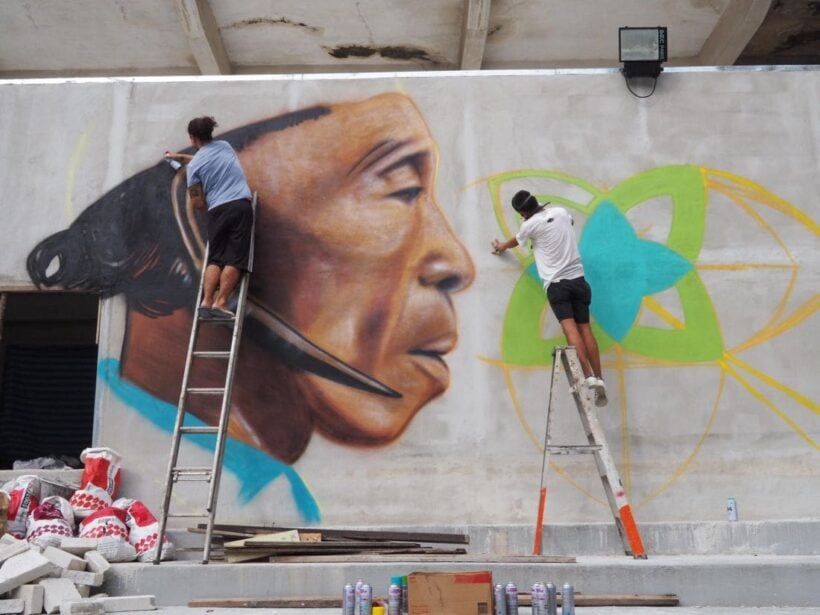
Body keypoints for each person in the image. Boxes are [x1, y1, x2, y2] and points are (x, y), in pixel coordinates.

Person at [28, 93, 475, 478]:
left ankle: (214, 296)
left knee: (222, 261)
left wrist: (193, 188)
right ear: (183, 231)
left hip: (223, 213)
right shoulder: (220, 152)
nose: (458, 264)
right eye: (400, 186)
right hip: (237, 212)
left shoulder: (205, 160)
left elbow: (196, 183)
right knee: (230, 262)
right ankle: (217, 297)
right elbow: (200, 170)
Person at [492, 190, 607, 406]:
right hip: (579, 281)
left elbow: (516, 241)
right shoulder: (561, 212)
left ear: (523, 212)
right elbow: (564, 224)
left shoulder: (529, 225)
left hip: (557, 285)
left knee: (570, 329)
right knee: (585, 329)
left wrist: (501, 247)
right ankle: (600, 379)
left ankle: (588, 376)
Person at [164, 116, 253, 319]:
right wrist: (179, 156)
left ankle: (207, 301)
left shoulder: (195, 168)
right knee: (236, 259)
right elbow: (206, 158)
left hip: (217, 211)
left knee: (215, 258)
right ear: (210, 132)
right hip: (239, 206)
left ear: (192, 138)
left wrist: (209, 209)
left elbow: (196, 202)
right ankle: (221, 303)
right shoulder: (225, 146)